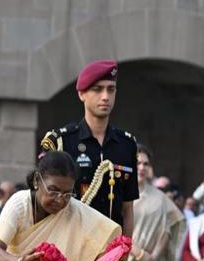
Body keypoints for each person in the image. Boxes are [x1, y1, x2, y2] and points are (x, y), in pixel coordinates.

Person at [39, 60, 138, 238]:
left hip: (110, 251)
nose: (105, 96)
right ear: (82, 94)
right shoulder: (61, 141)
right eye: (97, 89)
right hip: (69, 244)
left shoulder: (127, 144)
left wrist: (124, 251)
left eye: (111, 89)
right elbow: (43, 202)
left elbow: (127, 209)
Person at [129, 146, 186, 261]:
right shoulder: (117, 193)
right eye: (137, 163)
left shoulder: (159, 197)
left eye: (146, 164)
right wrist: (139, 254)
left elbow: (169, 227)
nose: (142, 167)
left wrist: (152, 258)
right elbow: (116, 229)